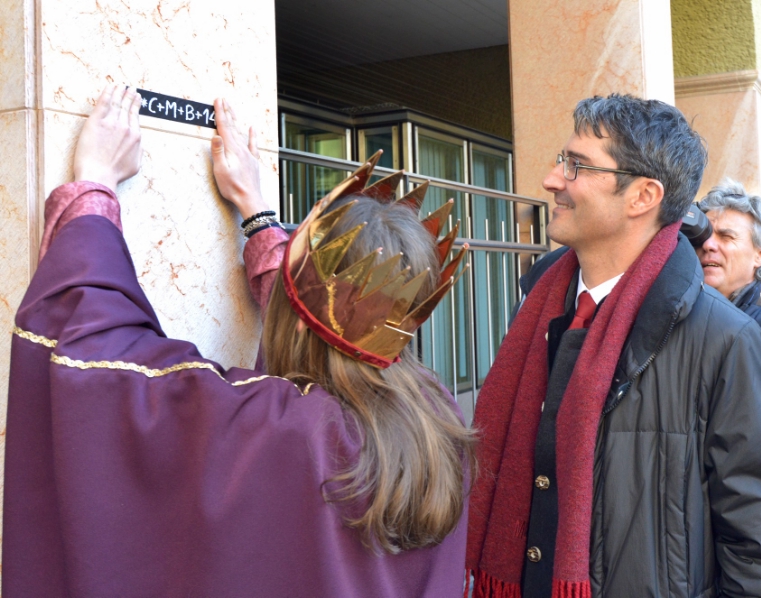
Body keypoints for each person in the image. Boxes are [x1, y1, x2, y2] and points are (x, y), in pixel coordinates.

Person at [4, 85, 474, 597]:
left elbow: (102, 359)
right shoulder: (439, 418)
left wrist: (94, 188)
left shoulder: (288, 430)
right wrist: (255, 211)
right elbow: (332, 320)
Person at [466, 94, 761, 598]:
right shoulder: (536, 311)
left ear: (643, 195)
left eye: (576, 165)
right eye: (561, 161)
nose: (552, 180)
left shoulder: (725, 340)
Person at [695, 180, 761, 478]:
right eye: (702, 236)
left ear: (760, 254)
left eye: (726, 236)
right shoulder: (674, 309)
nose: (708, 245)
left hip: (738, 492)